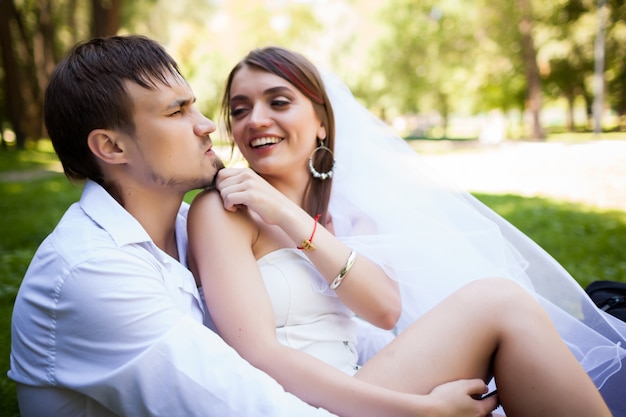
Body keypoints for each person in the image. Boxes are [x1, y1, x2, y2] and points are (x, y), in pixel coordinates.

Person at [186, 46, 615, 417]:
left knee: (504, 303)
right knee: (500, 301)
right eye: (240, 110)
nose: (255, 119)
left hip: (355, 386)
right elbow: (257, 355)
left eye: (278, 102)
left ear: (321, 122)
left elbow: (385, 310)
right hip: (297, 406)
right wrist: (420, 409)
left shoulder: (346, 218)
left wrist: (289, 215)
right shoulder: (222, 211)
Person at [8, 35, 343, 417]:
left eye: (194, 107)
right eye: (176, 112)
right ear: (112, 147)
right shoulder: (92, 270)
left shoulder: (193, 228)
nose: (207, 127)